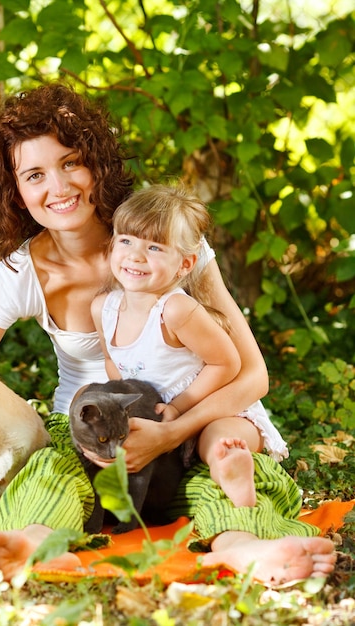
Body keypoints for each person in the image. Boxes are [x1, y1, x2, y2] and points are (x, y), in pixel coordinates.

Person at [0, 83, 336, 585]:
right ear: (17, 191)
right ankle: (35, 537)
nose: (59, 186)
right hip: (91, 432)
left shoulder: (165, 237)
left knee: (230, 471)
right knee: (53, 471)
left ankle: (245, 548)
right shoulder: (22, 272)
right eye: (34, 174)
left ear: (96, 163)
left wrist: (172, 432)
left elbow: (254, 375)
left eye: (71, 162)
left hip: (193, 421)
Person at [90, 183, 289, 509]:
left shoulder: (175, 310)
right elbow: (113, 362)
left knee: (216, 439)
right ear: (112, 246)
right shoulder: (103, 308)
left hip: (217, 411)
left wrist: (181, 408)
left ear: (185, 265)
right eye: (126, 241)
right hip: (163, 418)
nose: (136, 256)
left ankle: (229, 465)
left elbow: (226, 364)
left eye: (155, 248)